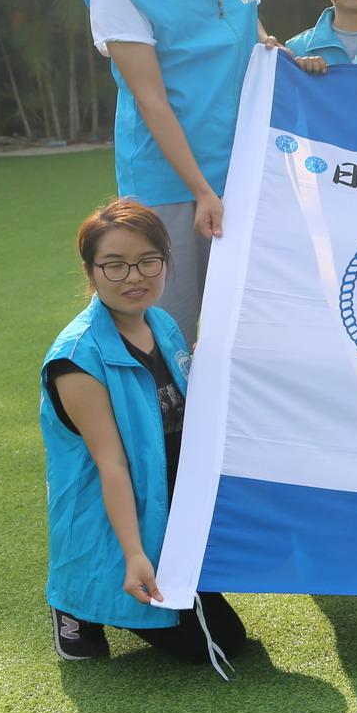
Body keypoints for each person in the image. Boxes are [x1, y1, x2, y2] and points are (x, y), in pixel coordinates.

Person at [84, 0, 283, 339]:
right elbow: (150, 99)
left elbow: (245, 21)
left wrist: (270, 47)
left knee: (245, 328)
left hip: (243, 168)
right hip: (170, 186)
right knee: (172, 332)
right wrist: (201, 191)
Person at [42, 198, 250, 668]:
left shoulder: (161, 322)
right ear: (91, 271)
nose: (134, 277)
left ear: (165, 260)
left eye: (147, 261)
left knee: (227, 623)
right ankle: (75, 601)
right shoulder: (76, 360)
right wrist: (135, 555)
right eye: (115, 265)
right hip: (116, 519)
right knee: (215, 646)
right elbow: (112, 465)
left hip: (168, 501)